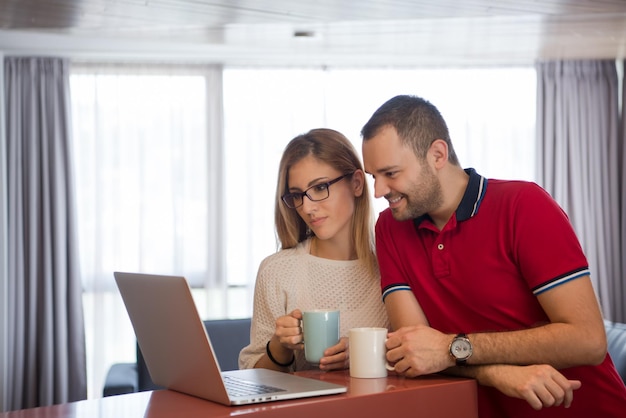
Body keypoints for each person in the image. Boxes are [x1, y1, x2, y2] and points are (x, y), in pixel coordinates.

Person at [360, 94, 626, 417]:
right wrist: (497, 372)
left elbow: (589, 340)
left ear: (438, 155)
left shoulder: (524, 206)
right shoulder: (390, 227)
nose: (379, 191)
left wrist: (452, 349)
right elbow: (419, 353)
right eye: (374, 176)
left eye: (390, 173)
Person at [239, 128, 389, 372]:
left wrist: (365, 354)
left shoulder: (393, 262)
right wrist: (280, 346)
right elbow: (253, 378)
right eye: (297, 195)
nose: (307, 207)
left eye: (320, 188)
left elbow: (418, 356)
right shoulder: (277, 271)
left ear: (357, 183)